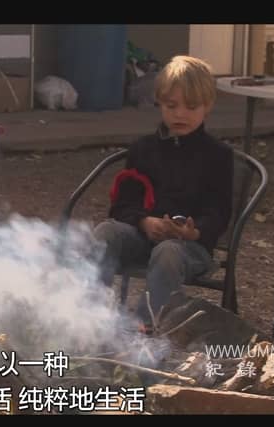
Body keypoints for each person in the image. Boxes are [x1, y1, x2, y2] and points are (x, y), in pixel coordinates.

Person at [92, 55, 234, 332]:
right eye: (171, 106)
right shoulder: (143, 149)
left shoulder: (218, 156)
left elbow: (220, 211)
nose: (180, 114)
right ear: (159, 102)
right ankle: (87, 315)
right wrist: (144, 221)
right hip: (142, 237)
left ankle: (146, 329)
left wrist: (194, 231)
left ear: (207, 106)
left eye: (191, 107)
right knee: (106, 232)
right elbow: (122, 205)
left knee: (168, 251)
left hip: (189, 248)